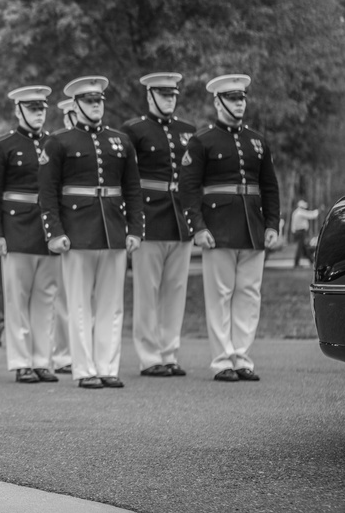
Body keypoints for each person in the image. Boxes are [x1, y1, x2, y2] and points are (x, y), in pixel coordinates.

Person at [38, 76, 143, 389]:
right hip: (77, 232)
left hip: (113, 230)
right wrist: (54, 231)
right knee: (80, 305)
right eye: (88, 101)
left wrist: (135, 229)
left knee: (112, 305)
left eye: (99, 101)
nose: (96, 106)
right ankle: (84, 369)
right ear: (76, 105)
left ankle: (108, 366)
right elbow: (48, 191)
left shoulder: (120, 141)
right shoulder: (59, 142)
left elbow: (133, 189)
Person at [179, 74, 280, 382]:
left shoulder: (257, 140)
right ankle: (223, 359)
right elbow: (188, 188)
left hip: (253, 226)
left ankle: (242, 358)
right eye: (234, 99)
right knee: (220, 295)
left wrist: (272, 223)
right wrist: (197, 227)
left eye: (243, 98)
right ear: (218, 102)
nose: (240, 104)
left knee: (249, 294)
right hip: (217, 229)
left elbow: (269, 186)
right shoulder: (202, 140)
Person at [0, 86, 60, 383]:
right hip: (16, 231)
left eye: (41, 109)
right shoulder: (3, 146)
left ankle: (41, 360)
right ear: (18, 110)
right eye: (32, 109)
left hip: (48, 232)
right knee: (17, 300)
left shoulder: (55, 143)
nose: (38, 114)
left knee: (45, 300)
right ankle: (20, 361)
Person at [120, 73, 196, 378]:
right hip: (149, 219)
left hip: (180, 221)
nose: (169, 100)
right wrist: (132, 223)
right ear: (149, 96)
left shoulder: (188, 131)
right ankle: (150, 357)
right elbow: (127, 179)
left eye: (172, 95)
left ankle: (169, 353)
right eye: (163, 95)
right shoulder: (133, 130)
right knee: (147, 292)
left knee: (175, 291)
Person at [51, 98, 76, 375]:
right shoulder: (56, 143)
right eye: (70, 114)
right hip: (63, 227)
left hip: (88, 227)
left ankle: (83, 351)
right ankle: (62, 354)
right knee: (62, 298)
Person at [290, 199, 319, 267]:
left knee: (304, 247)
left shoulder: (295, 212)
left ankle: (311, 260)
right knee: (300, 248)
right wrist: (318, 211)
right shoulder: (300, 212)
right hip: (300, 232)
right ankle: (297, 263)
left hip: (298, 232)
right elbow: (311, 215)